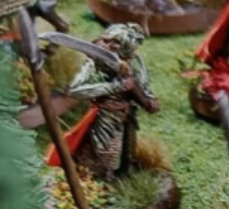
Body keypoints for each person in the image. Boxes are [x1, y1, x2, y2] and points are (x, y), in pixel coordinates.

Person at [46, 25, 159, 181]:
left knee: (127, 153)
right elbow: (75, 91)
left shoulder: (135, 63)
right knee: (102, 155)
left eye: (112, 43)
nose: (102, 45)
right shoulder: (93, 64)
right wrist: (113, 87)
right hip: (105, 116)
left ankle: (123, 176)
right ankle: (95, 180)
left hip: (127, 115)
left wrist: (146, 99)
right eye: (104, 40)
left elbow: (149, 99)